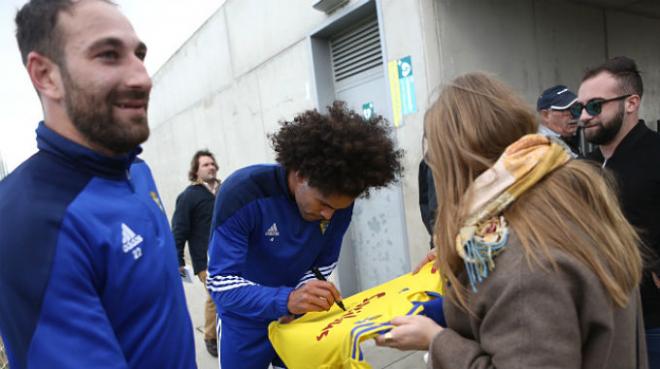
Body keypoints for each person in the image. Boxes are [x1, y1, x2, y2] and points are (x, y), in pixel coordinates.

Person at [374, 73, 647, 368]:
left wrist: (437, 340)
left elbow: (522, 301)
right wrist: (451, 308)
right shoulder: (562, 202)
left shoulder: (524, 258)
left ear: (456, 162)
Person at [0, 1, 196, 368]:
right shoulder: (28, 223)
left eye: (139, 54)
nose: (142, 77)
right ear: (45, 75)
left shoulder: (136, 171)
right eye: (108, 55)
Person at [206, 101, 403, 369]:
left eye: (338, 208)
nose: (328, 216)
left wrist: (306, 297)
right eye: (323, 204)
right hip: (245, 319)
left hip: (299, 315)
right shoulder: (242, 193)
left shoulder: (338, 203)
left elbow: (322, 266)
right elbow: (221, 283)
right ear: (300, 175)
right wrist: (285, 300)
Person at [574, 56, 660, 368]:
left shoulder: (655, 154)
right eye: (579, 108)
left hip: (651, 319)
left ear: (631, 103)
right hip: (597, 318)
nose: (584, 116)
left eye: (595, 105)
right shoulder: (582, 168)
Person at [172, 149, 221, 357]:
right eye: (205, 165)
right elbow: (179, 230)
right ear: (196, 171)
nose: (211, 167)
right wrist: (178, 261)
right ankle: (211, 336)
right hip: (206, 261)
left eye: (212, 163)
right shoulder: (189, 196)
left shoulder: (224, 190)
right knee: (216, 297)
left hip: (232, 254)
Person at [536, 84, 581, 154]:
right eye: (566, 110)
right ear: (546, 115)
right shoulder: (541, 146)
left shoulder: (568, 137)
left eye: (576, 109)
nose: (574, 115)